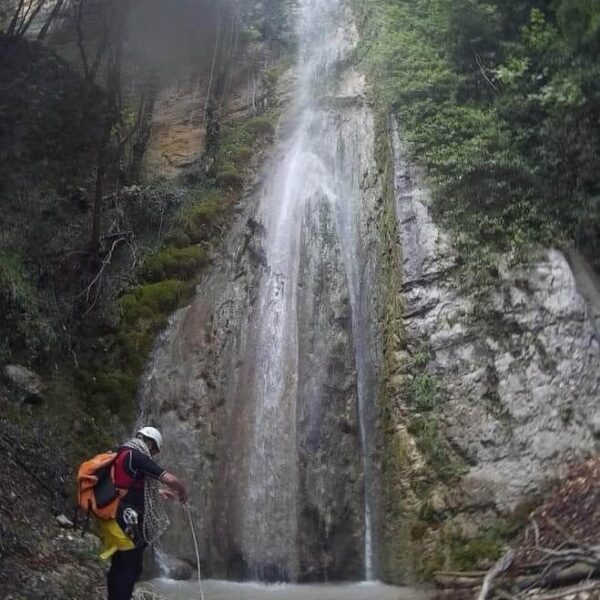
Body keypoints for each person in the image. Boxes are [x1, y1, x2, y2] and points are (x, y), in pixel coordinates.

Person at [99, 426, 188, 600]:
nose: (152, 454)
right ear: (150, 443)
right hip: (126, 519)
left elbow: (126, 485)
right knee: (131, 567)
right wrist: (183, 491)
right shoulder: (138, 456)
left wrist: (159, 493)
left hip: (113, 516)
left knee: (120, 564)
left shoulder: (122, 452)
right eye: (153, 450)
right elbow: (170, 479)